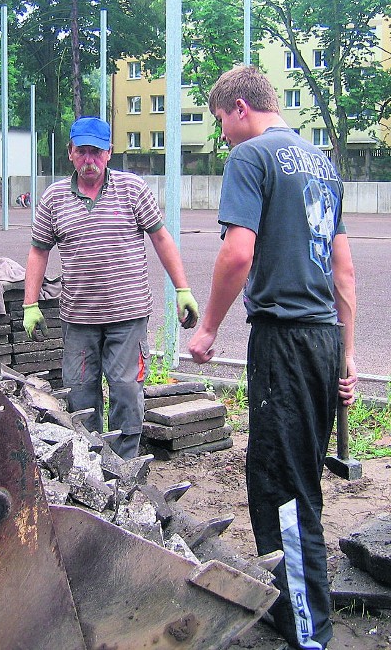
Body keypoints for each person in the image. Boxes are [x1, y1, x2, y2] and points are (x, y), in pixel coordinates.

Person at [188, 66, 357, 650]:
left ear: (240, 108)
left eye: (221, 124)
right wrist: (347, 357)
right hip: (324, 339)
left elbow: (238, 254)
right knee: (300, 479)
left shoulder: (252, 158)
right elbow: (345, 273)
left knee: (282, 488)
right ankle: (296, 609)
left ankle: (308, 633)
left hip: (284, 342)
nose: (224, 137)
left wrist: (207, 328)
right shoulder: (323, 164)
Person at [22, 116, 199, 460]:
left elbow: (161, 237)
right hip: (79, 317)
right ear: (70, 152)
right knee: (80, 392)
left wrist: (182, 289)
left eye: (97, 152)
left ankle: (125, 465)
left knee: (125, 389)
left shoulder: (132, 189)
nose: (90, 160)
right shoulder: (54, 198)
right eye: (82, 151)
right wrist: (31, 304)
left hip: (127, 316)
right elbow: (38, 251)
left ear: (109, 153)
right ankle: (88, 464)